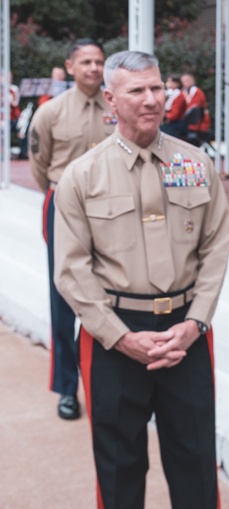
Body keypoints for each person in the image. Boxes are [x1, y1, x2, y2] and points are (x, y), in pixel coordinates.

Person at [53, 50, 229, 509]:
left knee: (194, 468)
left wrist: (194, 322)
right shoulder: (82, 176)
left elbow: (216, 246)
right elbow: (71, 272)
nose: (153, 99)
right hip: (114, 341)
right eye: (136, 91)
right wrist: (117, 336)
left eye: (158, 88)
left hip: (187, 334)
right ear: (110, 100)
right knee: (119, 476)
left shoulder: (194, 164)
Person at [28, 38, 115, 420]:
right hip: (62, 206)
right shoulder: (50, 112)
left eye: (99, 61)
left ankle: (111, 384)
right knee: (63, 296)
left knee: (112, 290)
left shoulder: (117, 107)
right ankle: (67, 388)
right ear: (71, 66)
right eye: (86, 62)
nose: (94, 68)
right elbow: (38, 163)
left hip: (111, 208)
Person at [180, 72, 211, 140]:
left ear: (192, 81)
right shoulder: (183, 92)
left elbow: (193, 108)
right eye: (183, 81)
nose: (184, 83)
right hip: (189, 123)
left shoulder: (197, 92)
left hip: (198, 124)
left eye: (186, 80)